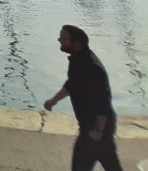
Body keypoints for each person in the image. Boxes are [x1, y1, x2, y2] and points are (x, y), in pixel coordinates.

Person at [44, 24, 124, 171]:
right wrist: (53, 101)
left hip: (96, 129)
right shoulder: (78, 61)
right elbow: (72, 85)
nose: (59, 40)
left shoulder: (92, 67)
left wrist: (98, 131)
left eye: (63, 38)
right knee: (110, 164)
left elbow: (103, 101)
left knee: (80, 166)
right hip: (93, 127)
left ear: (77, 43)